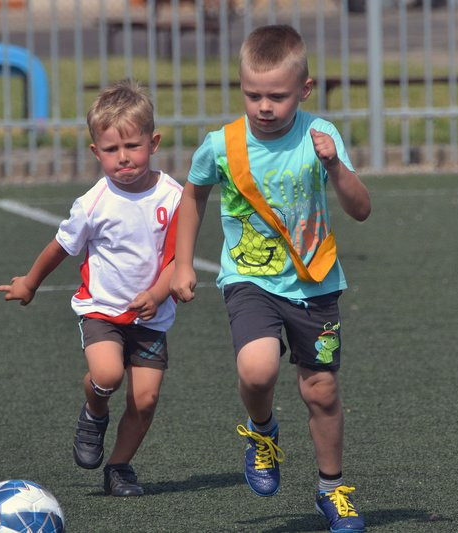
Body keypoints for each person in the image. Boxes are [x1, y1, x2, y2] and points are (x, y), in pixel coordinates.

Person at [170, 25, 371, 532]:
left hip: (315, 283)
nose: (264, 106)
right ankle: (263, 433)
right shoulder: (221, 145)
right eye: (253, 94)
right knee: (257, 371)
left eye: (277, 96)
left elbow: (361, 209)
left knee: (321, 390)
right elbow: (191, 198)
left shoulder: (321, 136)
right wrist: (182, 262)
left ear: (304, 91)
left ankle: (333, 488)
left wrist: (336, 167)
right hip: (250, 281)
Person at [0, 79, 182, 497]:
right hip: (101, 310)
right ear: (96, 152)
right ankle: (94, 409)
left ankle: (118, 467)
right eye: (112, 151)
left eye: (132, 146)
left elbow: (175, 258)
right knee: (108, 374)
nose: (123, 158)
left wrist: (159, 293)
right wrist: (29, 283)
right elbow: (60, 246)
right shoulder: (93, 202)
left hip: (152, 318)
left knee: (146, 400)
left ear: (153, 143)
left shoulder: (174, 196)